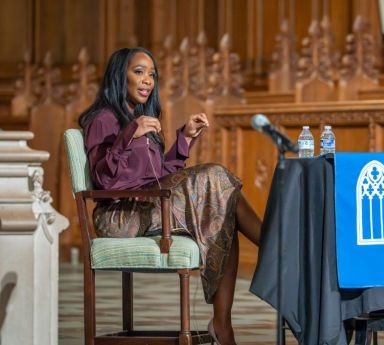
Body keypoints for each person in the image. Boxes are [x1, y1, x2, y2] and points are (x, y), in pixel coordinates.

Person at [78, 47, 262, 345]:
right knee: (215, 177)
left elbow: (157, 175)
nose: (147, 80)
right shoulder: (104, 119)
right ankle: (272, 243)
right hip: (119, 216)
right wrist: (129, 135)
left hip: (148, 204)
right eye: (139, 71)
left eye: (152, 74)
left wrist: (185, 138)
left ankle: (222, 325)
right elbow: (103, 179)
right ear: (119, 75)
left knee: (223, 207)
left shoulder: (138, 116)